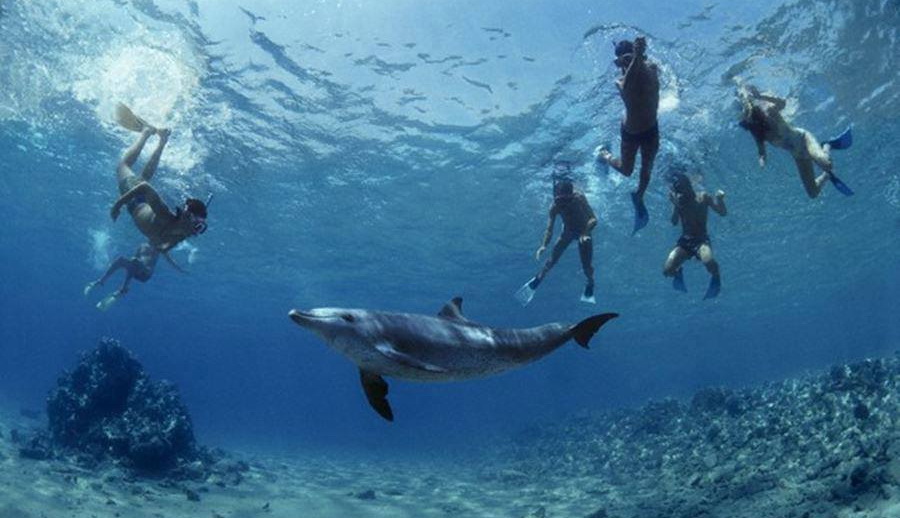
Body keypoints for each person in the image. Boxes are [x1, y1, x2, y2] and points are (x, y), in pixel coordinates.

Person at [110, 104, 209, 252]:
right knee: (123, 166)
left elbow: (165, 246)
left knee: (144, 177)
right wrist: (118, 205)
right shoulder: (164, 214)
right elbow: (145, 188)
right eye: (197, 226)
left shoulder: (181, 235)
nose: (196, 232)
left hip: (140, 202)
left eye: (200, 228)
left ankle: (162, 140)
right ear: (186, 216)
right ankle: (145, 132)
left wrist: (163, 248)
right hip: (135, 199)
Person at [737, 84, 853, 198]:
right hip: (798, 155)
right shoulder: (758, 134)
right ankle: (827, 175)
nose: (748, 116)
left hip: (804, 140)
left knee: (825, 163)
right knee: (812, 193)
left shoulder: (770, 113)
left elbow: (782, 103)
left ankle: (827, 146)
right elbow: (761, 151)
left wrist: (761, 96)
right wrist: (762, 160)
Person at [595, 36, 660, 234]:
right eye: (623, 60)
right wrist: (636, 57)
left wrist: (638, 57)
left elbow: (649, 70)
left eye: (628, 58)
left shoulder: (651, 69)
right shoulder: (620, 81)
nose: (627, 62)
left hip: (651, 130)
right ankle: (604, 155)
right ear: (618, 63)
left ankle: (639, 196)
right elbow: (628, 87)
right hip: (630, 133)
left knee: (646, 171)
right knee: (626, 171)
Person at [516, 175, 598, 306]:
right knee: (551, 260)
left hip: (584, 231)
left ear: (571, 196)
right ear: (555, 197)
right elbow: (549, 229)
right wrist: (543, 245)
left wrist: (585, 232)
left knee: (586, 266)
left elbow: (593, 219)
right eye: (560, 200)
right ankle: (537, 281)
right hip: (568, 232)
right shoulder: (554, 207)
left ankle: (590, 284)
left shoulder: (579, 198)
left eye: (566, 200)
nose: (563, 204)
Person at [662, 173, 727, 300]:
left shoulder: (703, 197)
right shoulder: (680, 201)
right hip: (685, 242)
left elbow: (722, 212)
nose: (681, 193)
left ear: (689, 185)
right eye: (678, 190)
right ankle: (677, 273)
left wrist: (719, 200)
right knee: (667, 270)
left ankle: (716, 279)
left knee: (709, 262)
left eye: (682, 188)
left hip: (701, 240)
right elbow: (674, 222)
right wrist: (675, 206)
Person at [84, 243, 186, 311]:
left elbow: (170, 260)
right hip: (137, 270)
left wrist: (180, 269)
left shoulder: (159, 246)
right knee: (122, 259)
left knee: (135, 261)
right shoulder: (142, 245)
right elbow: (131, 265)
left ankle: (122, 289)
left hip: (146, 274)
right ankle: (102, 281)